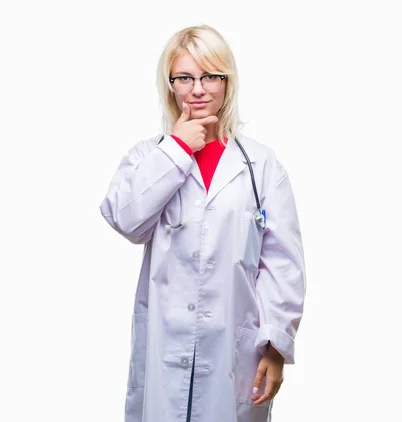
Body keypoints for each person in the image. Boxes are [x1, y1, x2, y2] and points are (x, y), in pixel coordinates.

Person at [99, 24, 306, 422]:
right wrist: (176, 150)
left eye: (211, 75)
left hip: (234, 349)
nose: (198, 89)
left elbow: (282, 264)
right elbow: (126, 220)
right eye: (185, 78)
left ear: (228, 81)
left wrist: (276, 347)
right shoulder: (149, 156)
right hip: (164, 346)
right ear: (170, 84)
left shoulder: (261, 166)